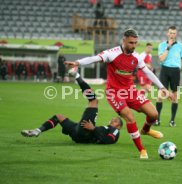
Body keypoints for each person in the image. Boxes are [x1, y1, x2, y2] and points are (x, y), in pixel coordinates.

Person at [65, 28, 173, 159]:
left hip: (130, 91)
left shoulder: (136, 57)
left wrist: (162, 88)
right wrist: (77, 63)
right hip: (114, 92)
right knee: (129, 117)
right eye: (131, 43)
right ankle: (142, 150)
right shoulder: (112, 53)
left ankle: (146, 130)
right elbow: (94, 58)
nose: (133, 46)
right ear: (124, 40)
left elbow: (148, 72)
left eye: (135, 43)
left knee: (154, 114)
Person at [21, 69, 123, 144]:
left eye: (115, 121)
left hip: (85, 133)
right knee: (59, 117)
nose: (112, 120)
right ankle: (37, 131)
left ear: (119, 126)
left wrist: (93, 129)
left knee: (94, 100)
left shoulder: (115, 131)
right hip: (78, 133)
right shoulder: (106, 128)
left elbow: (109, 140)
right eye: (113, 119)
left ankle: (76, 75)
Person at [155, 26, 182, 127]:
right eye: (170, 33)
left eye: (174, 33)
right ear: (167, 33)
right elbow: (161, 59)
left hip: (175, 71)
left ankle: (172, 121)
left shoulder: (181, 46)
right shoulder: (162, 45)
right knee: (160, 95)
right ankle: (157, 119)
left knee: (175, 96)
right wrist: (168, 47)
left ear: (176, 34)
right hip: (164, 70)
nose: (172, 35)